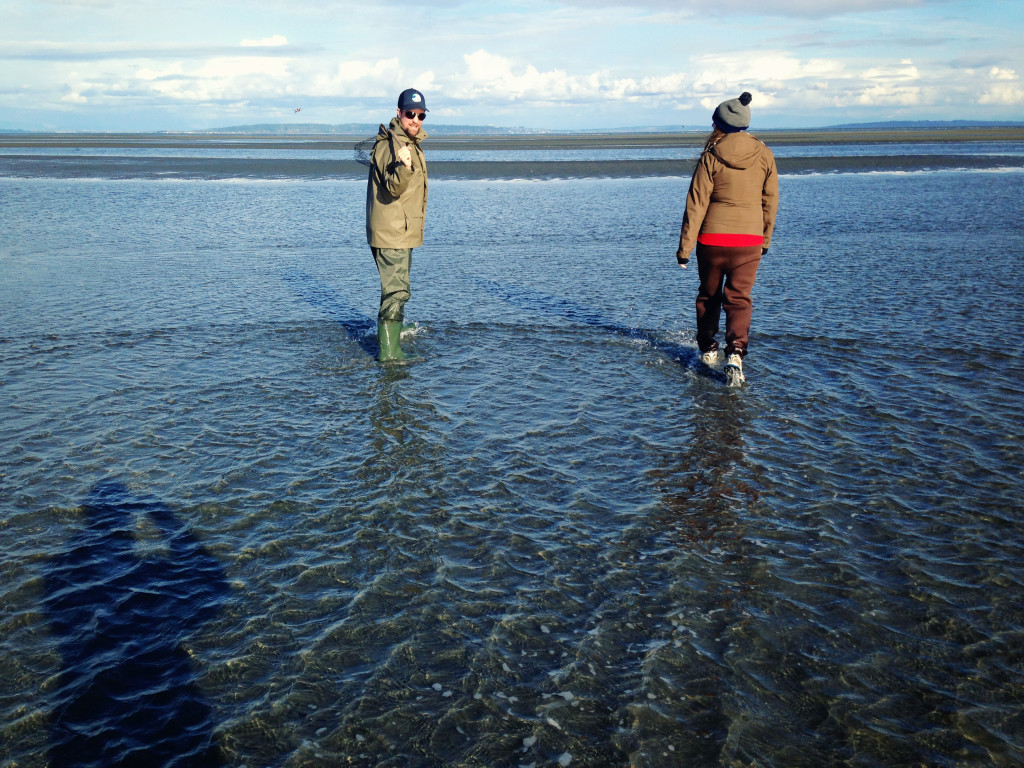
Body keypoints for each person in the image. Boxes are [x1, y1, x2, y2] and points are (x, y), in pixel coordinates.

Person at [676, 91, 778, 385]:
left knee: (709, 296)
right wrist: (765, 239)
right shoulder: (765, 153)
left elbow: (696, 203)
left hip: (712, 241)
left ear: (719, 124)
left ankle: (708, 349)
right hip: (748, 241)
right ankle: (735, 354)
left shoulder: (711, 155)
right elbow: (770, 201)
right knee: (739, 299)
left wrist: (685, 248)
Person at [365, 87, 429, 362]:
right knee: (396, 291)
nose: (416, 120)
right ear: (399, 113)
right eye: (410, 114)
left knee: (399, 287)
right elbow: (393, 187)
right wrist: (404, 167)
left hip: (400, 230)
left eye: (421, 115)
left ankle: (395, 328)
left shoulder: (407, 142)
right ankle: (389, 354)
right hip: (391, 233)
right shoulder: (389, 145)